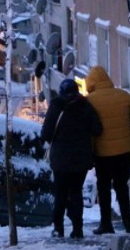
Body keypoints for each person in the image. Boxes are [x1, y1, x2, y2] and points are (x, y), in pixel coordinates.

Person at [41, 79, 102, 239]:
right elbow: (97, 129)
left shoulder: (56, 107)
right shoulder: (86, 107)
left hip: (60, 159)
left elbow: (46, 133)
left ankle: (58, 228)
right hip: (80, 159)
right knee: (76, 192)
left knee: (60, 193)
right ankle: (77, 228)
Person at [86, 66, 130, 234]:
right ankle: (128, 222)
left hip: (102, 153)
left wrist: (91, 150)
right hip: (124, 151)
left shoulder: (90, 101)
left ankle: (106, 224)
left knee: (103, 188)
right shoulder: (123, 96)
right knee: (122, 186)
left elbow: (89, 130)